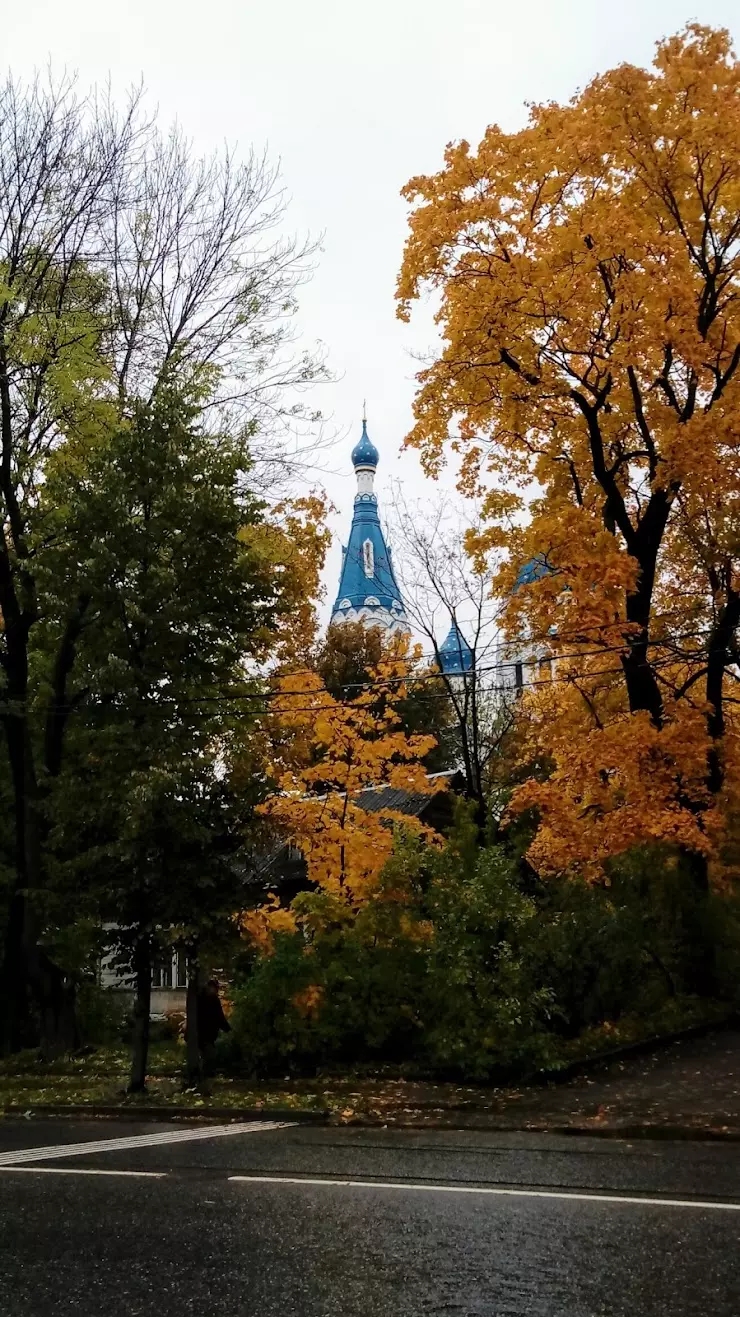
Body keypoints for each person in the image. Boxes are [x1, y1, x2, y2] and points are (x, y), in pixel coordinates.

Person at [196, 978, 231, 1070]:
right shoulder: (201, 999)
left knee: (208, 1054)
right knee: (208, 1054)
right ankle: (204, 1073)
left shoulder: (213, 1000)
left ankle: (205, 1072)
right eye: (215, 988)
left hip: (209, 1034)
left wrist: (227, 1029)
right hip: (202, 1033)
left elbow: (220, 1017)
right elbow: (219, 1017)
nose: (216, 991)